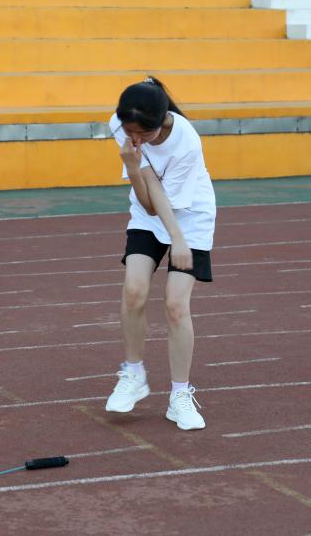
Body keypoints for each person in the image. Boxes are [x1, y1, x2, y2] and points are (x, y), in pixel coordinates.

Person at [104, 77, 216, 431]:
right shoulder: (121, 123)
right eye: (129, 132)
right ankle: (133, 375)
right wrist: (133, 166)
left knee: (175, 304)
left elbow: (162, 203)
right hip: (149, 213)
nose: (134, 139)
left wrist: (179, 240)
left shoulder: (186, 141)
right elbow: (148, 199)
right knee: (133, 290)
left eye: (143, 134)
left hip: (191, 216)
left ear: (160, 121)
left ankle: (179, 397)